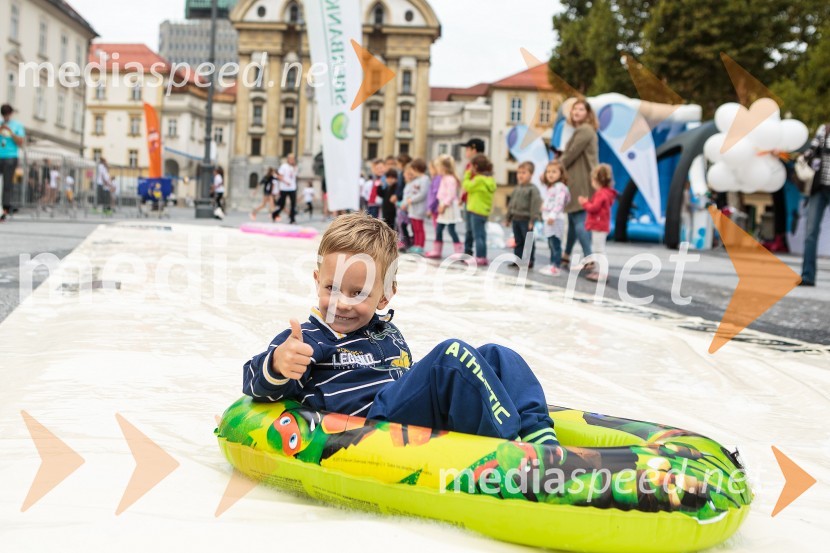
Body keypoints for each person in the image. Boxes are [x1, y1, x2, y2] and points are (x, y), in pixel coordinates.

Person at [241, 212, 559, 447]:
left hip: (402, 412)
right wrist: (279, 364)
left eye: (358, 293)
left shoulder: (387, 334)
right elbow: (254, 381)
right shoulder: (306, 340)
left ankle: (538, 432)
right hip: (371, 427)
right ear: (317, 281)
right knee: (450, 358)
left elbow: (408, 382)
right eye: (331, 288)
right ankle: (511, 449)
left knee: (496, 355)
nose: (342, 303)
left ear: (385, 295)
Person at [558, 99, 598, 270]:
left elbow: (571, 153)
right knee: (573, 218)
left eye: (581, 109)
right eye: (574, 109)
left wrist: (555, 168)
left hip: (581, 179)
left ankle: (589, 258)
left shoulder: (585, 130)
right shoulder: (583, 130)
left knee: (579, 218)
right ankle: (566, 255)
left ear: (588, 114)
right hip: (578, 178)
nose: (576, 112)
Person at [800, 122, 830, 286]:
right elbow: (810, 152)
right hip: (819, 187)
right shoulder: (824, 129)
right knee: (810, 232)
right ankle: (807, 275)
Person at [578, 164, 617, 282]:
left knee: (599, 250)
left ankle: (602, 273)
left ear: (596, 180)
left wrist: (584, 203)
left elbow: (594, 208)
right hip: (601, 225)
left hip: (599, 225)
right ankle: (598, 271)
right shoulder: (607, 193)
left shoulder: (601, 193)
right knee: (598, 249)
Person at [505, 161, 542, 269]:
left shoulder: (533, 189)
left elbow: (535, 205)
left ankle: (529, 260)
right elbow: (511, 204)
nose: (520, 175)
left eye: (524, 172)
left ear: (531, 174)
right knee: (518, 241)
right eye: (519, 172)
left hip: (526, 220)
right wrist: (508, 218)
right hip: (516, 219)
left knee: (528, 241)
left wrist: (532, 220)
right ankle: (518, 260)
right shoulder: (517, 188)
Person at [462, 153, 497, 266]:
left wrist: (467, 173)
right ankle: (483, 256)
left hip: (475, 210)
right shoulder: (490, 180)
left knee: (477, 235)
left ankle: (480, 257)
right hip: (483, 211)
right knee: (482, 235)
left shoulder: (478, 180)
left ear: (476, 167)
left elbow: (466, 186)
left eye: (471, 166)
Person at [425, 155, 463, 259]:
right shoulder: (444, 178)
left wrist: (444, 205)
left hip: (448, 208)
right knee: (438, 229)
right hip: (442, 206)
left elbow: (451, 195)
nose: (437, 169)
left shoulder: (450, 179)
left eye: (438, 166)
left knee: (451, 230)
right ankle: (437, 250)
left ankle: (459, 251)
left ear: (444, 167)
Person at [538, 161, 571, 276]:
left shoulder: (560, 187)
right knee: (551, 243)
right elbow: (550, 200)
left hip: (555, 219)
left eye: (554, 172)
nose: (550, 174)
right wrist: (544, 206)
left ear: (561, 173)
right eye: (548, 172)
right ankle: (552, 264)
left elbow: (559, 203)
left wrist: (552, 215)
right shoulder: (551, 187)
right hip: (549, 219)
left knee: (555, 244)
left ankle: (556, 266)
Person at [459, 138, 486, 256]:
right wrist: (462, 197)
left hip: (476, 201)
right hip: (469, 199)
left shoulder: (478, 166)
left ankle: (476, 253)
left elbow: (470, 184)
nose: (466, 151)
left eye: (467, 149)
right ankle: (467, 250)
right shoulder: (470, 164)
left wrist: (463, 194)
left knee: (475, 230)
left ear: (474, 150)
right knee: (469, 228)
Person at [0, 104, 24, 221]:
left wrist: (11, 133)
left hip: (10, 156)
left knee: (7, 184)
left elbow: (20, 142)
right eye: (4, 115)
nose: (6, 117)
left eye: (7, 115)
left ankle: (5, 208)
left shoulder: (17, 125)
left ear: (10, 114)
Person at [401, 159, 430, 254]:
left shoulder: (425, 179)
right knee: (415, 228)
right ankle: (416, 244)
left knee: (419, 228)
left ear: (417, 169)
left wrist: (411, 199)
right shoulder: (417, 180)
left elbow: (423, 193)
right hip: (413, 208)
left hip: (420, 208)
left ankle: (420, 246)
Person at [272, 154, 298, 224]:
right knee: (282, 205)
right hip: (284, 188)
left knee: (293, 204)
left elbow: (295, 175)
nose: (292, 160)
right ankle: (274, 214)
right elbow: (279, 176)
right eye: (291, 159)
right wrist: (286, 182)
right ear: (288, 159)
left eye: (293, 159)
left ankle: (292, 219)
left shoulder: (294, 167)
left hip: (292, 188)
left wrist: (294, 167)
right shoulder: (284, 166)